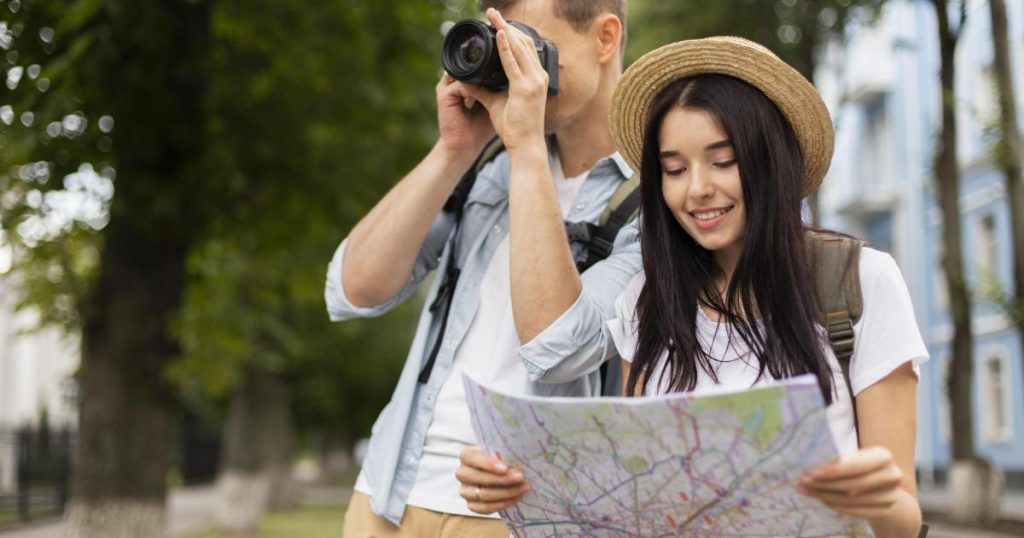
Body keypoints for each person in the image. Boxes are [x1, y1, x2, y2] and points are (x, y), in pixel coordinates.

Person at [455, 36, 929, 537]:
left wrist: (872, 500)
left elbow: (904, 518)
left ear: (771, 160)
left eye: (723, 161)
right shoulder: (646, 300)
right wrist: (520, 484)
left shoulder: (858, 281)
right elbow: (637, 502)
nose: (697, 188)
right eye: (675, 169)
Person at [325, 1, 640, 536]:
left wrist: (524, 149)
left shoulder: (657, 196)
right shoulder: (487, 166)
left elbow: (557, 345)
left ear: (605, 39)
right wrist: (454, 150)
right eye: (502, 48)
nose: (514, 67)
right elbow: (354, 290)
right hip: (388, 495)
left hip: (524, 517)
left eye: (528, 46)